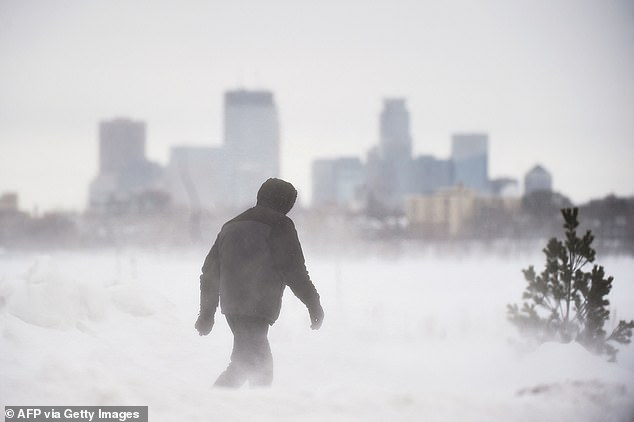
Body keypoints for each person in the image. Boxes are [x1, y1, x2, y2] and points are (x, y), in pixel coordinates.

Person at [195, 178, 324, 388]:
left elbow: (210, 273)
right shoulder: (280, 224)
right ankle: (216, 409)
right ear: (285, 203)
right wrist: (313, 304)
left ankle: (224, 408)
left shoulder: (230, 225)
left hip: (233, 308)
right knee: (258, 369)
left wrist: (206, 314)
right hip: (257, 306)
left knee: (246, 364)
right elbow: (294, 270)